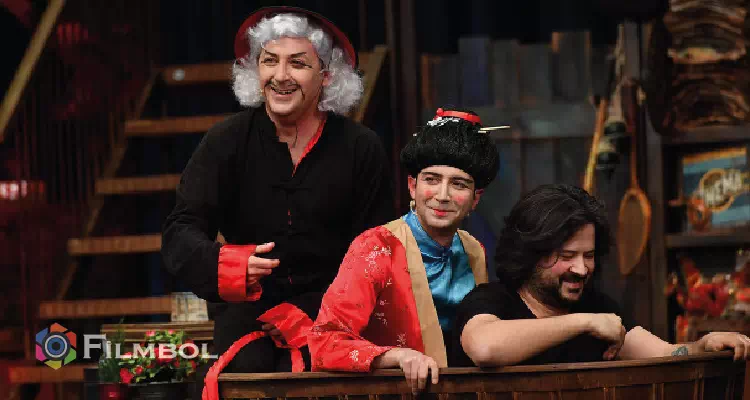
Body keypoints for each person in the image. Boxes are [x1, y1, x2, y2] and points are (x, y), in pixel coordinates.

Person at [159, 6, 395, 399]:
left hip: (337, 317)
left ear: (327, 75)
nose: (280, 76)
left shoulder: (361, 148)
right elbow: (180, 232)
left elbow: (377, 253)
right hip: (248, 318)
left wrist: (315, 309)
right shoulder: (225, 141)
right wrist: (231, 265)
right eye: (269, 61)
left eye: (297, 63)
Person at [453, 183, 750, 367]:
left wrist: (702, 346)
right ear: (530, 255)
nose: (581, 269)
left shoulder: (599, 307)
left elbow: (666, 355)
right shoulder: (493, 299)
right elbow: (485, 348)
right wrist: (584, 323)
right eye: (567, 256)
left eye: (589, 256)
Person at [309, 108, 500, 393]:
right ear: (412, 186)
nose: (443, 195)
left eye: (458, 184)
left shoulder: (474, 250)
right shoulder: (376, 247)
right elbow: (325, 343)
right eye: (431, 180)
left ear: (475, 199)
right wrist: (397, 356)